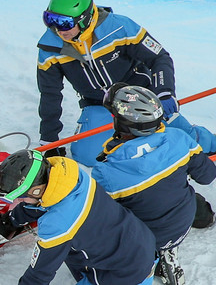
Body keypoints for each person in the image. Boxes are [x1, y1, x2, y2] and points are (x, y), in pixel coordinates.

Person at [36, 0, 216, 166]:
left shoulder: (119, 27)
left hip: (139, 94)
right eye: (50, 20)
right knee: (88, 156)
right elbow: (50, 94)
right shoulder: (49, 48)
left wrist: (164, 92)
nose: (58, 29)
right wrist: (49, 139)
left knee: (182, 135)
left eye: (65, 23)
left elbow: (160, 57)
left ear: (85, 19)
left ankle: (207, 141)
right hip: (99, 103)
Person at [91, 84, 216, 285]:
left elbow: (103, 219)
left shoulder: (106, 171)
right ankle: (169, 249)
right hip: (183, 220)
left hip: (145, 238)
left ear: (122, 124)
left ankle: (146, 261)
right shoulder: (179, 138)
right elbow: (207, 176)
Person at [0, 150, 158, 284]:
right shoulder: (71, 176)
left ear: (36, 190)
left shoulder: (59, 223)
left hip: (122, 274)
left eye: (21, 196)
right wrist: (11, 220)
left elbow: (40, 273)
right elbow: (42, 203)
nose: (20, 201)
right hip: (140, 241)